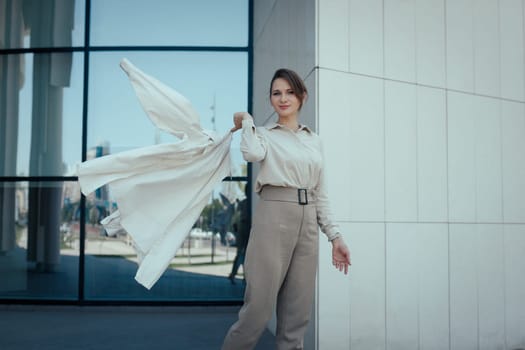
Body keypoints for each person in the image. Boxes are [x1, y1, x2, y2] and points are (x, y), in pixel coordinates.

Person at [222, 68, 351, 350]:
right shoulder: (264, 135)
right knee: (257, 311)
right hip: (274, 216)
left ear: (302, 96)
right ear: (270, 99)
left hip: (308, 224)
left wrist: (335, 237)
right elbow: (252, 154)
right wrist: (247, 122)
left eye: (290, 92)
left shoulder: (314, 140)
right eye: (276, 93)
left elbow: (321, 193)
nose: (283, 98)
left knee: (297, 317)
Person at [228, 187, 250, 284]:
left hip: (246, 230)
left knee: (245, 255)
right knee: (242, 254)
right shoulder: (244, 203)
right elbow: (236, 218)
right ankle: (235, 275)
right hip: (244, 229)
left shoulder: (246, 203)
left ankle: (243, 276)